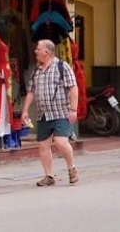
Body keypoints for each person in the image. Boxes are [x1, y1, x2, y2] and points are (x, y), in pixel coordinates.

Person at [21, 39, 79, 187]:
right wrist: (25, 110)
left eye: (38, 49)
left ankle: (71, 168)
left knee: (60, 142)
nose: (35, 51)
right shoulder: (36, 71)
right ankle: (49, 175)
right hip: (43, 114)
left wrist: (73, 109)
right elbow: (31, 92)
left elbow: (73, 88)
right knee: (43, 146)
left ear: (46, 52)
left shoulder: (62, 66)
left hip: (61, 112)